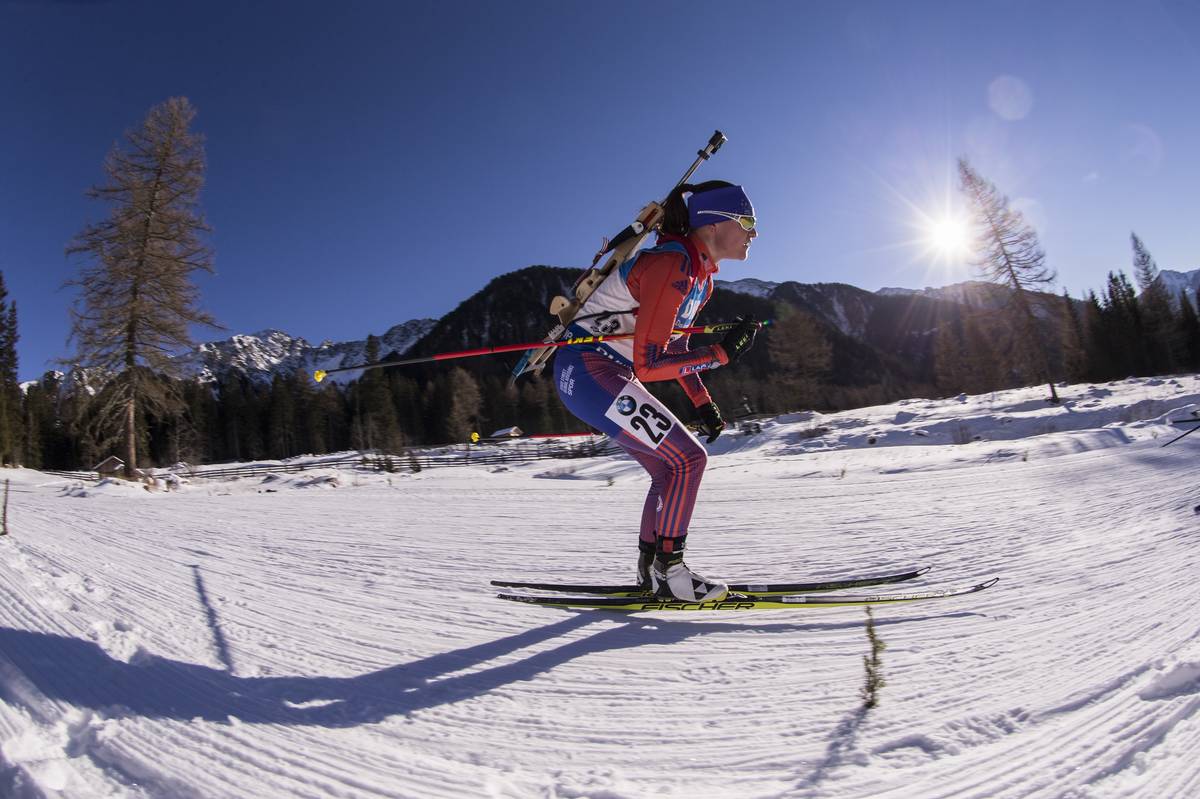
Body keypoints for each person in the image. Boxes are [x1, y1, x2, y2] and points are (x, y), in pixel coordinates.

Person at [553, 181, 761, 601]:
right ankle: (672, 574)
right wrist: (720, 354)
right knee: (689, 460)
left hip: (599, 375)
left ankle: (652, 571)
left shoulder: (700, 279)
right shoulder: (672, 264)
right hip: (591, 369)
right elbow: (649, 365)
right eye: (747, 222)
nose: (754, 234)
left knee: (669, 470)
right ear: (714, 223)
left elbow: (677, 348)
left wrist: (703, 402)